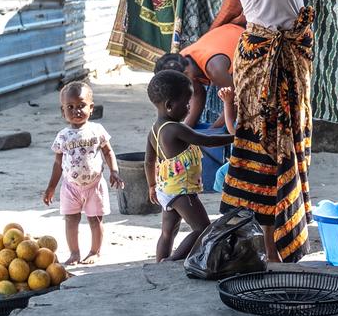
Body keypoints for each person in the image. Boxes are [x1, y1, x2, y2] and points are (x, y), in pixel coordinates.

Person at [219, 0, 338, 263]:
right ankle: (269, 250)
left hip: (288, 60)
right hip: (263, 62)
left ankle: (276, 250)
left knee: (289, 149)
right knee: (265, 152)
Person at [144, 70, 236, 262]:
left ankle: (159, 262)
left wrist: (152, 185)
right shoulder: (176, 129)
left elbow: (149, 161)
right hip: (182, 191)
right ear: (169, 106)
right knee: (203, 228)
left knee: (168, 232)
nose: (189, 108)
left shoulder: (154, 130)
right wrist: (236, 138)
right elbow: (206, 140)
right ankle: (173, 260)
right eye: (187, 104)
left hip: (165, 189)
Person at [43, 81, 124, 265]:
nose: (76, 111)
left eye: (81, 106)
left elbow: (108, 151)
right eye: (70, 107)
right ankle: (74, 252)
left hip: (94, 185)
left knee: (95, 220)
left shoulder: (97, 130)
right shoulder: (62, 136)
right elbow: (57, 163)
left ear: (91, 108)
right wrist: (51, 188)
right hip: (70, 187)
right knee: (71, 220)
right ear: (63, 111)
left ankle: (94, 251)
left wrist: (114, 171)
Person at [154, 21, 243, 127]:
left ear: (186, 74)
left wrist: (212, 131)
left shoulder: (215, 70)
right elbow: (197, 94)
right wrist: (186, 129)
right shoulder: (182, 60)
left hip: (246, 40)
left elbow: (236, 102)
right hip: (226, 34)